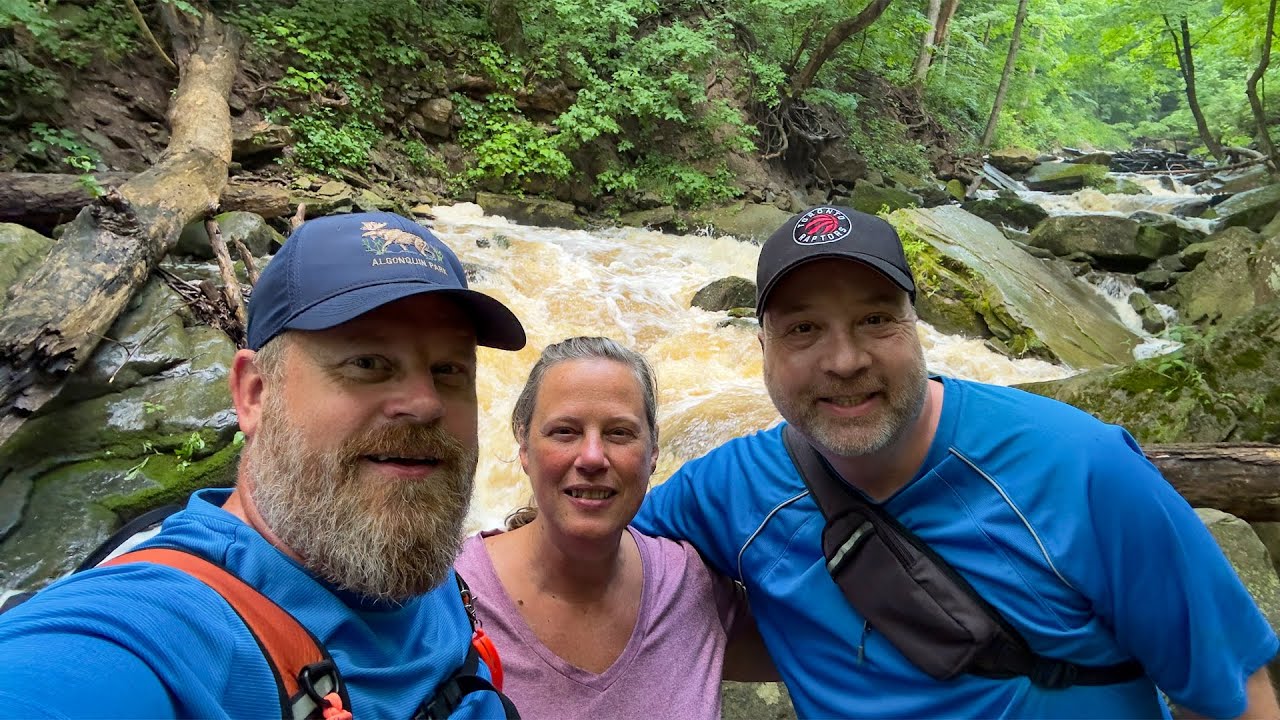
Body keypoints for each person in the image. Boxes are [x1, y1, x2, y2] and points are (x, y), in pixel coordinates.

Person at [632, 205, 1280, 719]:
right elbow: (595, 566)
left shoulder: (1082, 470)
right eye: (804, 329)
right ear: (762, 347)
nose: (844, 360)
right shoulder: (729, 491)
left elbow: (1232, 696)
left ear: (917, 326)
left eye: (875, 320)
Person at [0, 211, 528, 718]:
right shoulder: (154, 629)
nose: (426, 402)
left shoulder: (418, 563)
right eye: (368, 363)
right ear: (254, 394)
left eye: (448, 369)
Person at [455, 336, 772, 719]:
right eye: (565, 432)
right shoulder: (448, 597)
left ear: (653, 452)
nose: (592, 457)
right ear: (524, 447)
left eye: (619, 432)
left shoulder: (690, 585)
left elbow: (830, 650)